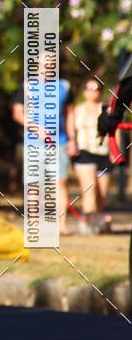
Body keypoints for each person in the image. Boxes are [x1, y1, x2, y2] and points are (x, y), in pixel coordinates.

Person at [12, 54, 75, 235]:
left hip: (59, 144)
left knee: (59, 184)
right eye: (44, 63)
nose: (47, 67)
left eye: (51, 64)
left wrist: (72, 140)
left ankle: (61, 226)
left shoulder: (65, 86)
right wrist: (35, 128)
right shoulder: (27, 87)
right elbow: (17, 113)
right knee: (33, 185)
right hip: (33, 144)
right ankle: (34, 223)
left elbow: (69, 114)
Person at [71, 78, 112, 233]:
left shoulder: (108, 110)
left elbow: (116, 131)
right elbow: (71, 130)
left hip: (104, 153)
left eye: (95, 89)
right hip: (85, 152)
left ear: (100, 92)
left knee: (102, 193)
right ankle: (88, 224)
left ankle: (96, 221)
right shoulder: (77, 109)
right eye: (88, 88)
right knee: (90, 189)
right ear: (84, 91)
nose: (92, 91)